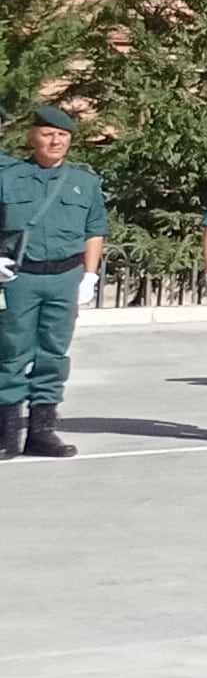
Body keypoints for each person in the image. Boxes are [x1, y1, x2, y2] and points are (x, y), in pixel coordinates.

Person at [0, 103, 110, 458]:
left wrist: (89, 276)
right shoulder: (8, 176)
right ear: (33, 137)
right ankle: (6, 434)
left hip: (64, 277)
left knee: (53, 355)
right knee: (10, 353)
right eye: (48, 134)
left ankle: (42, 431)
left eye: (62, 135)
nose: (55, 141)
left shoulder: (84, 181)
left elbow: (95, 231)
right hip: (19, 279)